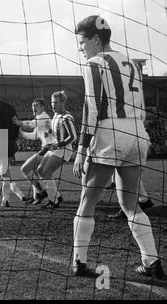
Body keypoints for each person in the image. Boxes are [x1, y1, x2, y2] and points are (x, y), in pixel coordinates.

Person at [72, 15, 164, 278]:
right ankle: (151, 262)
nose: (81, 48)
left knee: (87, 201)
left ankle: (79, 261)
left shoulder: (94, 63)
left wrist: (81, 150)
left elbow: (92, 109)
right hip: (138, 133)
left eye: (83, 42)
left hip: (111, 133)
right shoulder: (133, 64)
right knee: (131, 204)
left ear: (96, 39)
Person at [33, 91, 78, 209]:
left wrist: (58, 144)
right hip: (55, 147)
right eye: (52, 103)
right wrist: (50, 132)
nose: (53, 105)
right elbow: (57, 130)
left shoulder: (66, 118)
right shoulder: (56, 115)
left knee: (47, 172)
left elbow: (73, 136)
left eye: (56, 103)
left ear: (63, 102)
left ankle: (54, 202)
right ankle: (56, 196)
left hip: (64, 149)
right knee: (40, 170)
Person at [0, 85, 26, 210]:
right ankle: (5, 200)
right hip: (9, 141)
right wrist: (13, 141)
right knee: (6, 172)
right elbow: (16, 125)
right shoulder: (11, 108)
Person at [14, 98, 54, 204]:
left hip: (48, 147)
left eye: (36, 105)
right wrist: (21, 132)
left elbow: (31, 124)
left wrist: (19, 123)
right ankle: (40, 196)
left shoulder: (43, 117)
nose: (34, 108)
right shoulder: (40, 119)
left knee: (25, 169)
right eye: (33, 106)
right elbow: (35, 136)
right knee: (35, 171)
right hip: (46, 147)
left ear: (42, 107)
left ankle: (42, 192)